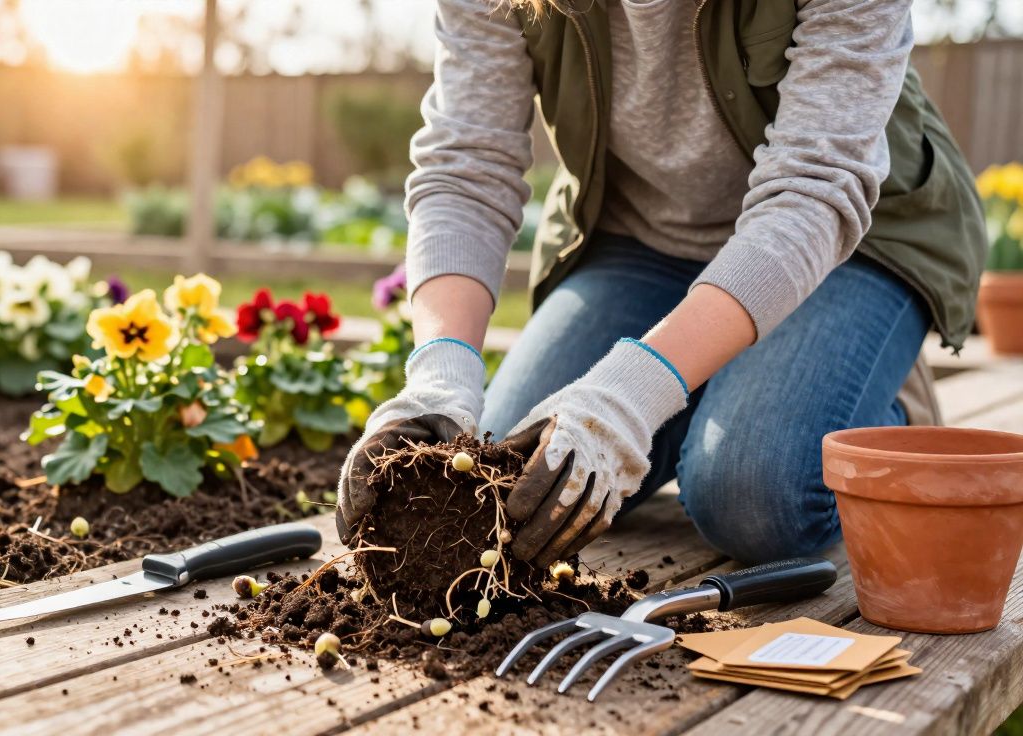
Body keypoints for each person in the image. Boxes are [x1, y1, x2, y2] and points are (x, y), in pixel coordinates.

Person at [337, 0, 986, 566]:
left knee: (754, 495)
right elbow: (467, 169)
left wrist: (632, 395)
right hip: (644, 241)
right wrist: (440, 375)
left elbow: (813, 190)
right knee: (512, 483)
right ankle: (724, 385)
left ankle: (860, 398)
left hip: (848, 246)